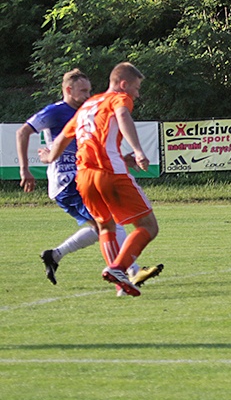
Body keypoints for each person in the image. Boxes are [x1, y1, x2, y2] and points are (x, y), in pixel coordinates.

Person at [18, 68, 162, 290]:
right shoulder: (113, 99)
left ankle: (117, 278)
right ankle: (125, 270)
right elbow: (122, 115)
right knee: (141, 225)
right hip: (90, 176)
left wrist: (51, 156)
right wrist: (138, 150)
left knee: (104, 227)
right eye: (136, 88)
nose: (137, 94)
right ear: (123, 84)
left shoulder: (87, 106)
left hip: (84, 176)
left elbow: (71, 138)